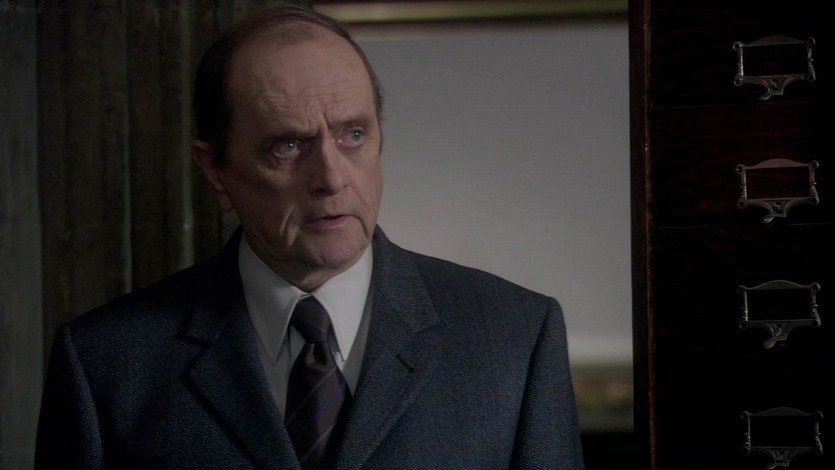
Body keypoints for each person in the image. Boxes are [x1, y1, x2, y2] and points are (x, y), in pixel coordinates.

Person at [35, 4, 584, 469]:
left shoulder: (515, 339)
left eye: (353, 135)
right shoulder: (106, 363)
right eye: (288, 146)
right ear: (217, 171)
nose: (332, 177)